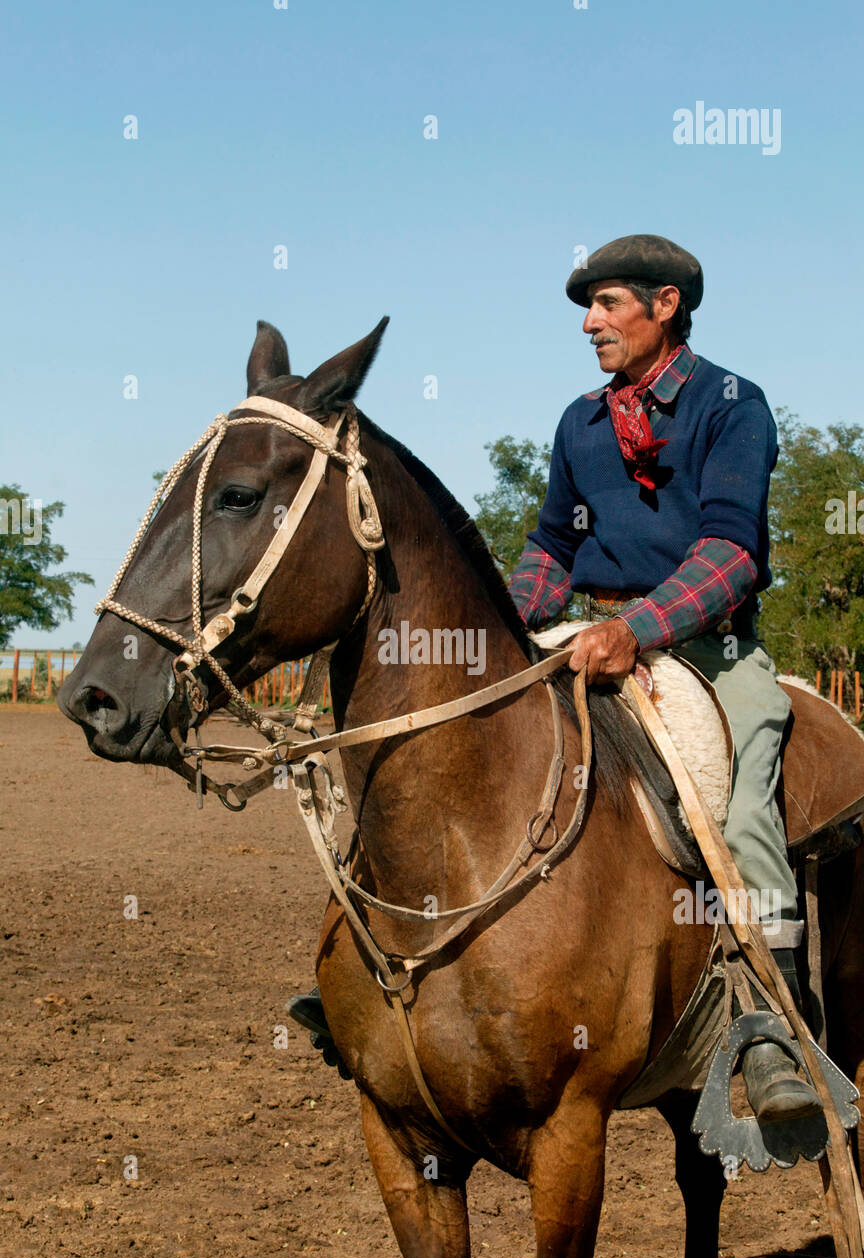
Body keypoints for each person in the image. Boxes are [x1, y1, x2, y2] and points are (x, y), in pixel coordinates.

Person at [289, 233, 821, 1125]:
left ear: (665, 307)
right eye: (588, 307)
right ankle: (356, 973)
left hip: (707, 652)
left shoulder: (735, 406)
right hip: (589, 635)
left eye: (607, 304)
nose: (589, 323)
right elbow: (551, 547)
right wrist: (512, 620)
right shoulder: (581, 421)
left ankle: (770, 1026)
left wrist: (638, 628)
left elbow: (733, 553)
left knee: (744, 801)